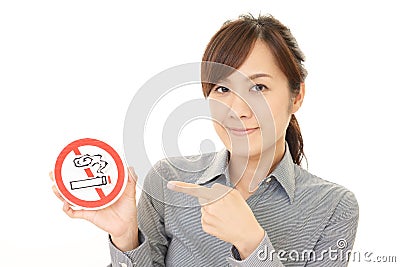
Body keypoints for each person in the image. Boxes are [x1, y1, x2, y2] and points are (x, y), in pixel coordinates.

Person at [51, 14, 359, 266]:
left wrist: (252, 243)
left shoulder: (334, 207)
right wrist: (126, 237)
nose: (238, 110)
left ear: (297, 96)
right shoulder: (167, 180)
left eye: (259, 88)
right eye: (222, 89)